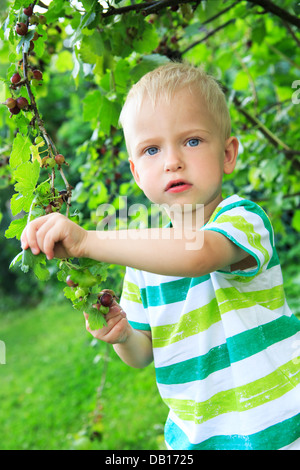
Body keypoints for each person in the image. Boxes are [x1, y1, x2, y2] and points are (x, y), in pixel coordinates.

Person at [21, 62, 300, 450]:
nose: (172, 161)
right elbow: (142, 353)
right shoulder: (144, 258)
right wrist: (121, 335)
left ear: (228, 154)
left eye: (192, 141)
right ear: (136, 173)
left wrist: (87, 242)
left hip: (281, 427)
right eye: (152, 149)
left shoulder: (242, 218)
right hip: (195, 439)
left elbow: (199, 254)